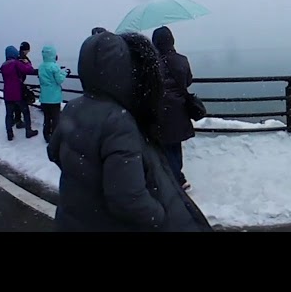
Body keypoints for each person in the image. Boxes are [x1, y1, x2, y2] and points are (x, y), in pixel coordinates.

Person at [46, 31, 212, 232]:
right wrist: (160, 216)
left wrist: (87, 178)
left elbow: (53, 152)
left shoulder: (74, 107)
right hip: (105, 224)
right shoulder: (118, 121)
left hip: (72, 217)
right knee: (173, 152)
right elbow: (127, 199)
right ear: (123, 73)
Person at [151, 26, 195, 190]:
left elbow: (148, 85)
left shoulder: (152, 62)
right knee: (175, 145)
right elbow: (188, 81)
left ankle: (172, 179)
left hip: (159, 109)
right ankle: (178, 177)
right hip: (179, 108)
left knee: (162, 145)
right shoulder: (182, 59)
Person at [0, 46, 39, 141]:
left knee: (9, 114)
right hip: (18, 92)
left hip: (7, 93)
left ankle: (9, 133)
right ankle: (28, 131)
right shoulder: (16, 63)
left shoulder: (3, 66)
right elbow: (28, 70)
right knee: (25, 111)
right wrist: (27, 63)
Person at [38, 45, 70, 143]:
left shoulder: (41, 66)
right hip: (54, 97)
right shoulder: (54, 66)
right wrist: (65, 73)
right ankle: (55, 137)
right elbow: (59, 80)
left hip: (44, 97)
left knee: (47, 118)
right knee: (55, 118)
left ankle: (46, 135)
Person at [14, 41, 36, 129]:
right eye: (28, 50)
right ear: (26, 50)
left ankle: (17, 120)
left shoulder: (15, 56)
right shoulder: (23, 58)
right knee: (24, 107)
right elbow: (29, 68)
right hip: (19, 83)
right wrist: (27, 63)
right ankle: (28, 129)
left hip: (13, 84)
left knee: (16, 104)